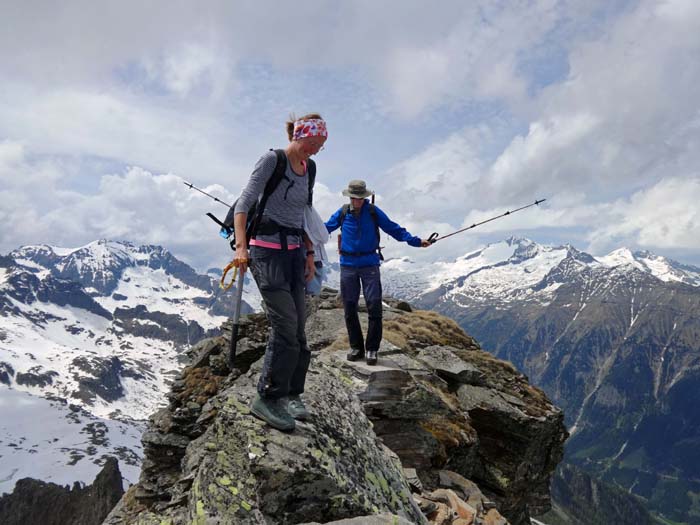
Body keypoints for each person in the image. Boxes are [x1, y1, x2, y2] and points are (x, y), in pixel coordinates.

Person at [232, 113, 327, 432]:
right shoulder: (271, 161)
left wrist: (310, 252)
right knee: (285, 326)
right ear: (299, 136)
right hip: (265, 253)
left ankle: (292, 395)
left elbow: (304, 214)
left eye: (321, 145)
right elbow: (244, 204)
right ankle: (267, 398)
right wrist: (241, 248)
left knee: (299, 329)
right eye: (313, 143)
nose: (316, 150)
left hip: (294, 254)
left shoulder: (309, 168)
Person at [325, 180, 430, 366]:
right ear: (349, 197)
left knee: (374, 305)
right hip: (347, 264)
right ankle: (356, 347)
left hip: (369, 264)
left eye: (359, 198)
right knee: (349, 306)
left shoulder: (373, 211)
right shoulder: (342, 212)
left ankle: (372, 349)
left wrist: (416, 241)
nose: (356, 201)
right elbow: (325, 229)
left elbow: (393, 228)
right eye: (353, 198)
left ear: (364, 197)